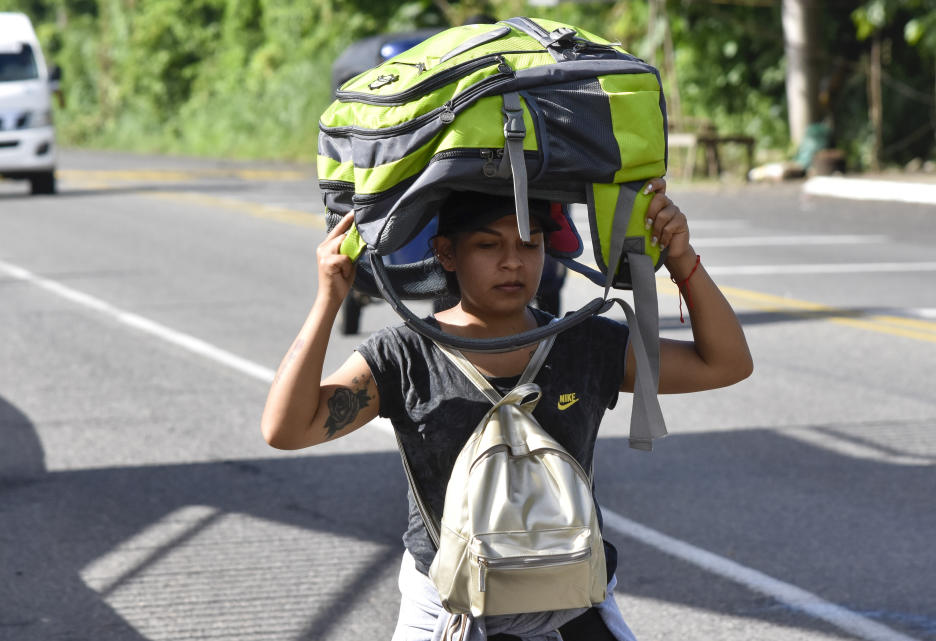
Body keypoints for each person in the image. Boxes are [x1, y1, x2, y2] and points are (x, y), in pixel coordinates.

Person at [261, 181, 753, 640]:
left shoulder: (583, 342)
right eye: (488, 245)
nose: (513, 262)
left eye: (529, 243)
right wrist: (328, 300)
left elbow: (725, 364)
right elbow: (286, 429)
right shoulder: (406, 354)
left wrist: (682, 259)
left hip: (572, 600)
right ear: (446, 254)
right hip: (445, 608)